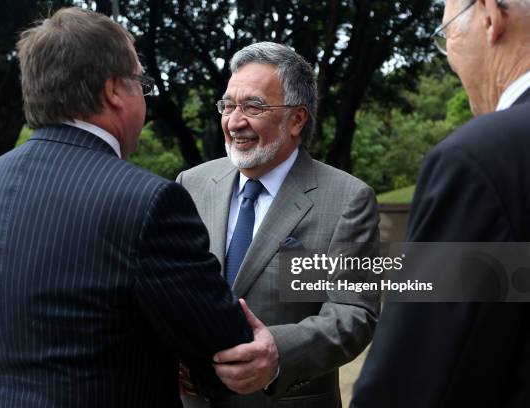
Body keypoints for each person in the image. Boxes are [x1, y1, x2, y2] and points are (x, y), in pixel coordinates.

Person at [0, 7, 252, 407]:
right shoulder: (149, 201)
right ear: (113, 90)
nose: (144, 93)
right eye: (140, 80)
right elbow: (222, 344)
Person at [177, 42, 381, 408]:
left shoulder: (347, 199)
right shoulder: (191, 184)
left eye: (253, 106)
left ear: (297, 119)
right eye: (228, 105)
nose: (234, 121)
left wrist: (278, 352)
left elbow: (353, 313)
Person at [351, 1, 530, 407]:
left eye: (445, 34)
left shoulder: (481, 159)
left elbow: (412, 382)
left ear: (490, 16)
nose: (449, 57)